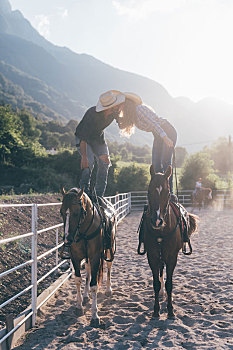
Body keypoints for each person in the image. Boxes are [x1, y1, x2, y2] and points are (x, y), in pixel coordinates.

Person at [114, 92, 177, 195]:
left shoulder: (139, 109)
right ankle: (158, 191)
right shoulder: (132, 116)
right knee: (156, 164)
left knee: (165, 162)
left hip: (167, 131)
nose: (119, 106)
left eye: (120, 104)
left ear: (127, 104)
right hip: (158, 135)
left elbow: (154, 124)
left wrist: (165, 137)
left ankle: (170, 194)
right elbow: (123, 125)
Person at [74, 90, 125, 198]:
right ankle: (85, 195)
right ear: (108, 107)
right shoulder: (91, 114)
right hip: (83, 138)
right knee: (89, 163)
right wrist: (84, 157)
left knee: (105, 162)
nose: (116, 107)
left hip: (97, 138)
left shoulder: (114, 112)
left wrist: (123, 119)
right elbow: (83, 138)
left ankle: (98, 196)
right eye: (115, 106)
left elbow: (121, 123)